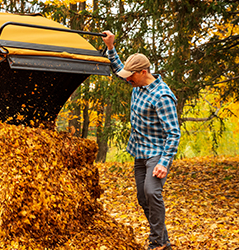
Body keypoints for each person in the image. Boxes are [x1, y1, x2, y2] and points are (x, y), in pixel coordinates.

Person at [102, 31, 180, 250]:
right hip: (140, 151)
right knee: (142, 198)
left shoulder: (162, 96)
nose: (127, 79)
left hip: (157, 153)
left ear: (144, 72)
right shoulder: (136, 83)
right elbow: (119, 69)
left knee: (152, 192)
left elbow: (174, 132)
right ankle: (163, 240)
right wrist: (110, 46)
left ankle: (157, 242)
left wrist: (165, 162)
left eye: (131, 75)